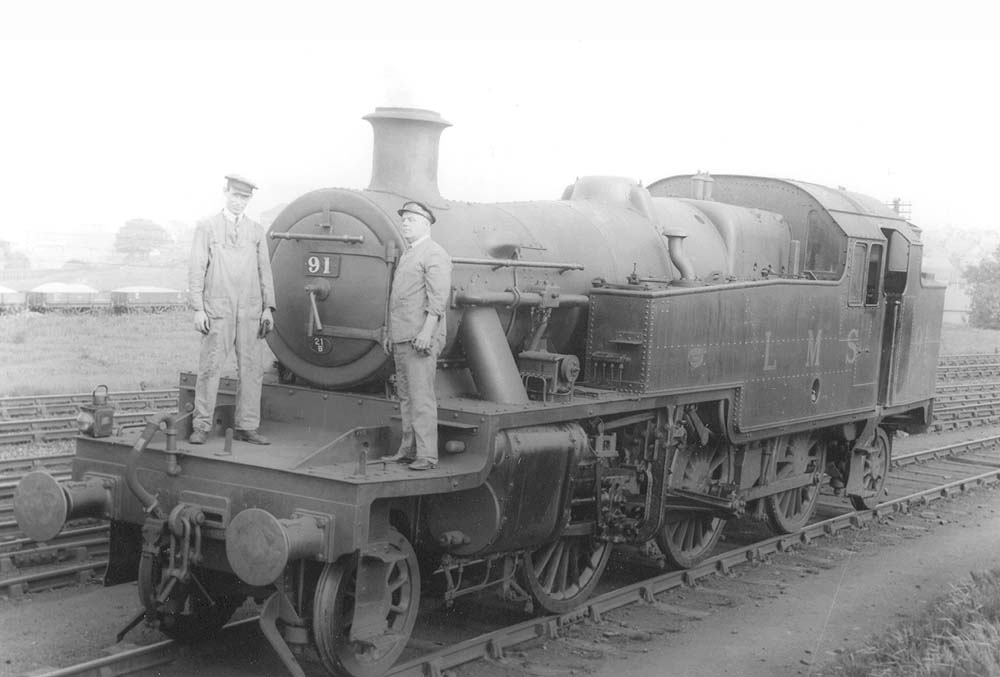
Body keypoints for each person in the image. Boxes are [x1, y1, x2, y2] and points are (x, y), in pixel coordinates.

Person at [188, 174, 276, 445]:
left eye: (245, 197)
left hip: (250, 311)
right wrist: (198, 309)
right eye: (235, 196)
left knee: (252, 369)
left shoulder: (256, 230)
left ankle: (247, 426)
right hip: (218, 309)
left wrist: (268, 307)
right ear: (225, 192)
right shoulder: (207, 227)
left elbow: (265, 270)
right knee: (210, 368)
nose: (239, 202)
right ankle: (201, 426)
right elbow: (196, 268)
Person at [384, 200, 452, 471]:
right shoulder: (410, 253)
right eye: (403, 220)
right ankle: (407, 450)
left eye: (410, 220)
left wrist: (427, 332)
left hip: (419, 338)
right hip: (404, 336)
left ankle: (426, 455)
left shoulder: (434, 253)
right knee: (406, 397)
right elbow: (401, 298)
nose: (404, 224)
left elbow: (438, 299)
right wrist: (392, 332)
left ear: (426, 224)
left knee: (421, 397)